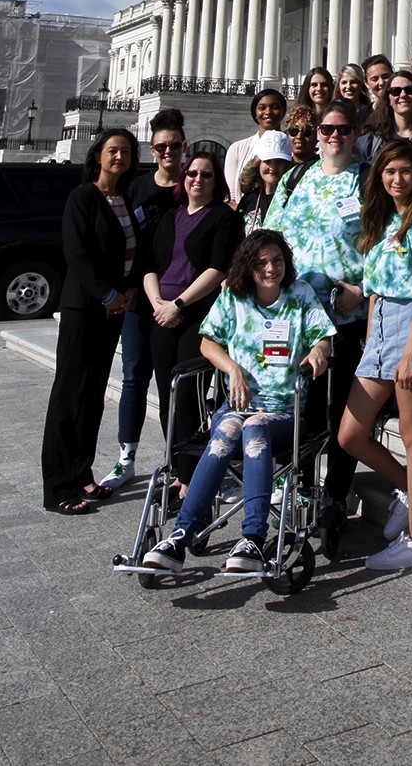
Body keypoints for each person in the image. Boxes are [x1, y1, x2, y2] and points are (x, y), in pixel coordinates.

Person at [142, 229, 333, 575]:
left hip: (284, 411)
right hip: (237, 406)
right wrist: (233, 369)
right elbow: (207, 342)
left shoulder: (300, 293)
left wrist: (319, 350)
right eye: (261, 263)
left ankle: (253, 538)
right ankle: (179, 537)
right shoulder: (233, 296)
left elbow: (323, 340)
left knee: (255, 427)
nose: (271, 268)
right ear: (248, 266)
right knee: (228, 429)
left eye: (276, 260)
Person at [336, 141, 412, 573]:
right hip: (381, 326)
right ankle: (409, 489)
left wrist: (409, 354)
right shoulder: (380, 220)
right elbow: (371, 287)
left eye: (405, 171)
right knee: (350, 433)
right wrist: (370, 338)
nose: (397, 179)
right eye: (389, 172)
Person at [266, 100, 366, 556]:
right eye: (327, 128)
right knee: (300, 409)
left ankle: (336, 494)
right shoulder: (294, 178)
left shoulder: (367, 180)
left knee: (340, 410)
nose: (333, 136)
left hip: (345, 317)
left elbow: (389, 244)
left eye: (343, 129)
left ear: (355, 132)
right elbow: (267, 242)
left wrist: (363, 290)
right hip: (297, 319)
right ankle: (302, 486)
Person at [41, 129, 147, 513]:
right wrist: (107, 294)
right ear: (98, 155)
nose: (119, 157)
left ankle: (82, 471)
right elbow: (78, 254)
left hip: (113, 308)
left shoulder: (123, 198)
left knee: (93, 392)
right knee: (69, 394)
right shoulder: (83, 196)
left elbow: (132, 251)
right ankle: (58, 487)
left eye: (126, 151)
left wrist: (129, 290)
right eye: (112, 150)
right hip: (84, 307)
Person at [145, 152, 244, 493]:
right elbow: (151, 264)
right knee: (166, 395)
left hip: (195, 314)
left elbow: (218, 267)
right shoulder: (170, 217)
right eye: (192, 173)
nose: (197, 180)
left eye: (206, 175)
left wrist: (178, 303)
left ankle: (190, 476)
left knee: (189, 395)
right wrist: (157, 302)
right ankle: (176, 466)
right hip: (162, 313)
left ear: (216, 181)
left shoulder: (222, 218)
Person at [99, 109, 183, 492]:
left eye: (175, 145)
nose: (169, 151)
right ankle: (126, 457)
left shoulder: (192, 185)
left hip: (179, 301)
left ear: (184, 147)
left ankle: (177, 460)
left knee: (174, 383)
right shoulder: (137, 188)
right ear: (154, 149)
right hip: (138, 298)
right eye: (162, 146)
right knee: (134, 377)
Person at [354, 67, 412, 164]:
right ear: (389, 99)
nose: (403, 95)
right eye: (396, 91)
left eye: (409, 90)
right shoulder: (371, 139)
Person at [224, 88, 286, 205]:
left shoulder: (291, 147)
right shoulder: (237, 148)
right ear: (255, 114)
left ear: (283, 112)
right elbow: (231, 198)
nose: (268, 112)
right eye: (262, 108)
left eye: (275, 107)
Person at [237, 130, 294, 232]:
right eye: (267, 161)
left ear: (287, 165)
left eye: (279, 161)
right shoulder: (249, 200)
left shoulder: (294, 198)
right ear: (258, 164)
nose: (273, 167)